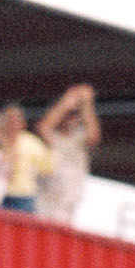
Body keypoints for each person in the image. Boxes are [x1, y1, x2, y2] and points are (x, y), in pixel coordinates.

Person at [37, 84, 99, 227]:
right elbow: (43, 128)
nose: (71, 118)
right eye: (69, 115)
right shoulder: (54, 138)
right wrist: (65, 103)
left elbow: (93, 135)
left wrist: (86, 104)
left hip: (69, 198)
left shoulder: (79, 140)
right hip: (47, 198)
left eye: (75, 115)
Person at [0, 107, 51, 215]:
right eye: (8, 120)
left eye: (15, 121)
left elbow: (48, 167)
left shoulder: (31, 142)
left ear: (22, 123)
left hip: (23, 195)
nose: (11, 125)